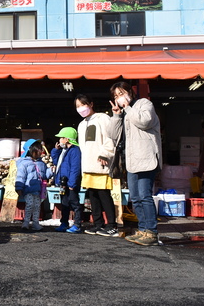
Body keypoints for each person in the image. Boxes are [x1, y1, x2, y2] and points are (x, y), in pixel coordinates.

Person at [107, 81, 162, 247]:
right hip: (131, 161)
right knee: (135, 198)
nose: (119, 97)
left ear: (130, 92)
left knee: (145, 195)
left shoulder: (145, 104)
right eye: (116, 96)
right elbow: (113, 135)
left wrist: (128, 108)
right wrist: (116, 115)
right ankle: (143, 229)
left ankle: (151, 232)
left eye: (121, 93)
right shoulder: (124, 113)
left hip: (146, 158)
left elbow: (144, 122)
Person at [75, 94, 119, 238]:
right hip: (88, 165)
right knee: (92, 195)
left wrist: (106, 154)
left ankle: (112, 225)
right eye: (78, 106)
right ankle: (98, 224)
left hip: (101, 163)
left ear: (91, 104)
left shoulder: (102, 118)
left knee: (104, 194)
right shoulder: (82, 124)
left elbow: (110, 137)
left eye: (83, 104)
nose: (81, 108)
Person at [51, 127, 83, 233]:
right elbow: (57, 163)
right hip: (64, 183)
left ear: (67, 139)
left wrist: (72, 183)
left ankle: (77, 224)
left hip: (70, 183)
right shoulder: (64, 151)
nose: (59, 140)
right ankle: (64, 223)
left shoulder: (74, 151)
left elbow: (75, 168)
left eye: (61, 138)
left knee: (75, 204)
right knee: (64, 204)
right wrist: (55, 150)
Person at [15, 139, 51, 231]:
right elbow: (20, 176)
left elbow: (45, 175)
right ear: (31, 150)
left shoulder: (41, 163)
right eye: (38, 149)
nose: (40, 151)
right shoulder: (24, 163)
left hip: (38, 190)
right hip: (28, 189)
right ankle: (26, 222)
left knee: (37, 206)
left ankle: (35, 223)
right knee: (30, 204)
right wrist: (19, 187)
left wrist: (51, 171)